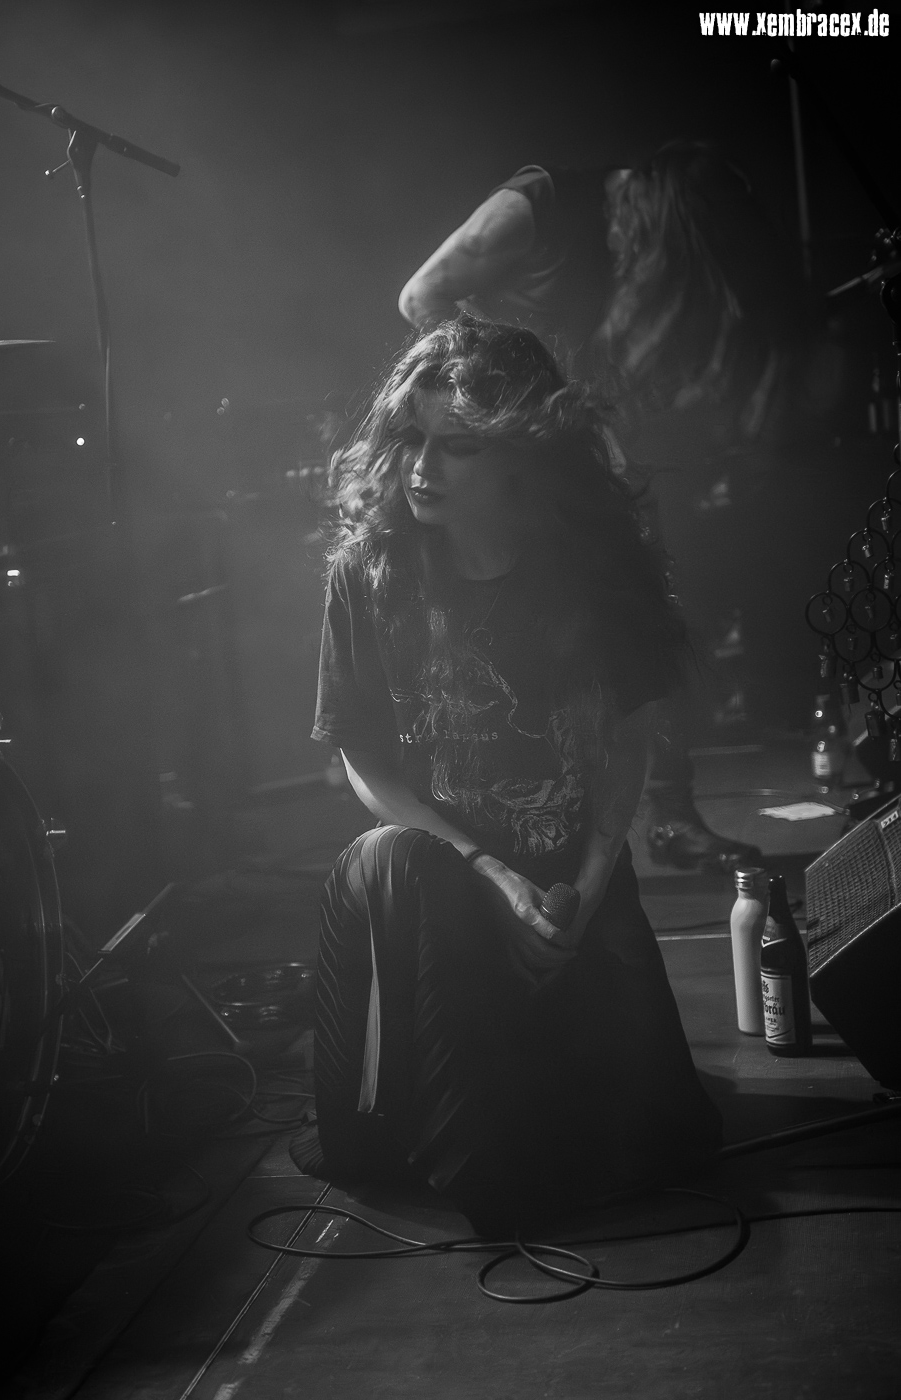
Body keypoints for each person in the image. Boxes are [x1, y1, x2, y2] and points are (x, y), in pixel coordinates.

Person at [294, 317, 722, 1238]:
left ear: (525, 455)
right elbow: (362, 757)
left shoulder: (592, 569)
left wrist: (587, 890)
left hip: (565, 875)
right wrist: (484, 872)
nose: (421, 467)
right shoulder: (369, 571)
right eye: (410, 436)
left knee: (646, 1142)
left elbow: (627, 739)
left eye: (458, 446)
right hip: (439, 881)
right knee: (391, 859)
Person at [397, 141, 809, 873]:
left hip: (575, 464)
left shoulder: (646, 252)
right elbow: (421, 298)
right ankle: (500, 830)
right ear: (658, 214)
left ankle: (669, 817)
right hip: (492, 460)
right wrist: (513, 413)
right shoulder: (537, 207)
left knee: (645, 619)